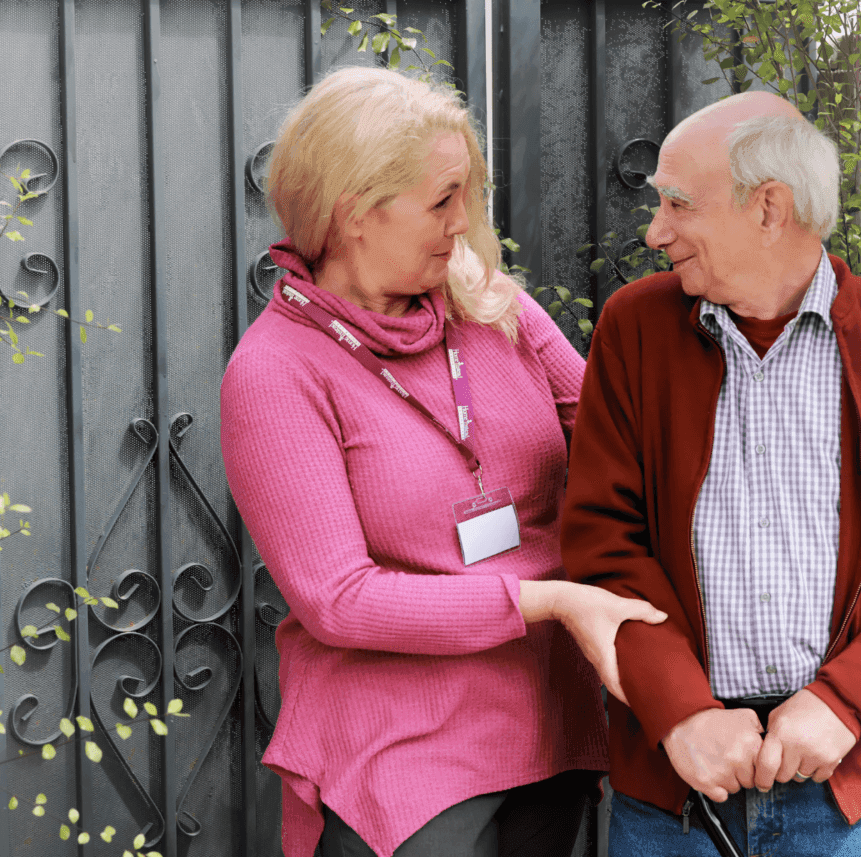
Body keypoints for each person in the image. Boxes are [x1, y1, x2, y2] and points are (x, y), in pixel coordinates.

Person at [220, 66, 666, 857]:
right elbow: (339, 600)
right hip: (402, 754)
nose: (464, 221)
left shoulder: (489, 307)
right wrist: (548, 598)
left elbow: (624, 437)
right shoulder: (277, 372)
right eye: (441, 199)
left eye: (466, 194)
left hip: (543, 720)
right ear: (357, 213)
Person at [560, 89, 861, 855]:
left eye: (679, 205)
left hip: (858, 797)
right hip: (675, 796)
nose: (655, 233)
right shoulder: (633, 330)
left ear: (768, 209)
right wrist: (681, 709)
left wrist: (847, 702)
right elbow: (602, 545)